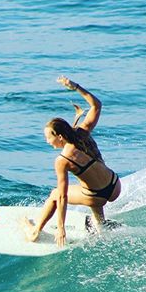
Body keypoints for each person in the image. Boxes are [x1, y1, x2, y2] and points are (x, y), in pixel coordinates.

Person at [24, 75, 121, 247]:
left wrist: (60, 227)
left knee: (54, 194)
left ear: (59, 137)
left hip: (97, 196)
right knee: (89, 186)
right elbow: (97, 105)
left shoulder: (63, 160)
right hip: (114, 186)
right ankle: (101, 225)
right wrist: (75, 87)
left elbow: (62, 196)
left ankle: (35, 231)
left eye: (48, 137)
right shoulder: (83, 132)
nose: (47, 141)